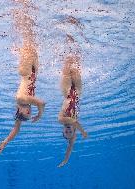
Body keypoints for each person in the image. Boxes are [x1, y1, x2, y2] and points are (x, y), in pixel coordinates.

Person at [0, 42, 45, 154]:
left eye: (27, 112)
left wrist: (39, 114)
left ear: (19, 110)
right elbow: (17, 129)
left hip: (27, 68)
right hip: (31, 69)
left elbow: (41, 103)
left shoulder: (21, 99)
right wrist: (5, 142)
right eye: (30, 112)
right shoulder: (24, 103)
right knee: (31, 40)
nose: (29, 110)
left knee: (28, 36)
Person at [57, 35, 88, 167]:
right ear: (73, 132)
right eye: (71, 132)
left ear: (63, 131)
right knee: (76, 64)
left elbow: (74, 122)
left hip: (67, 91)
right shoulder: (73, 128)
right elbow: (70, 146)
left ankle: (67, 36)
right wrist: (66, 160)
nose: (69, 131)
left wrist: (83, 132)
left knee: (68, 63)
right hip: (77, 92)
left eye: (66, 132)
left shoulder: (61, 120)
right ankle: (76, 38)